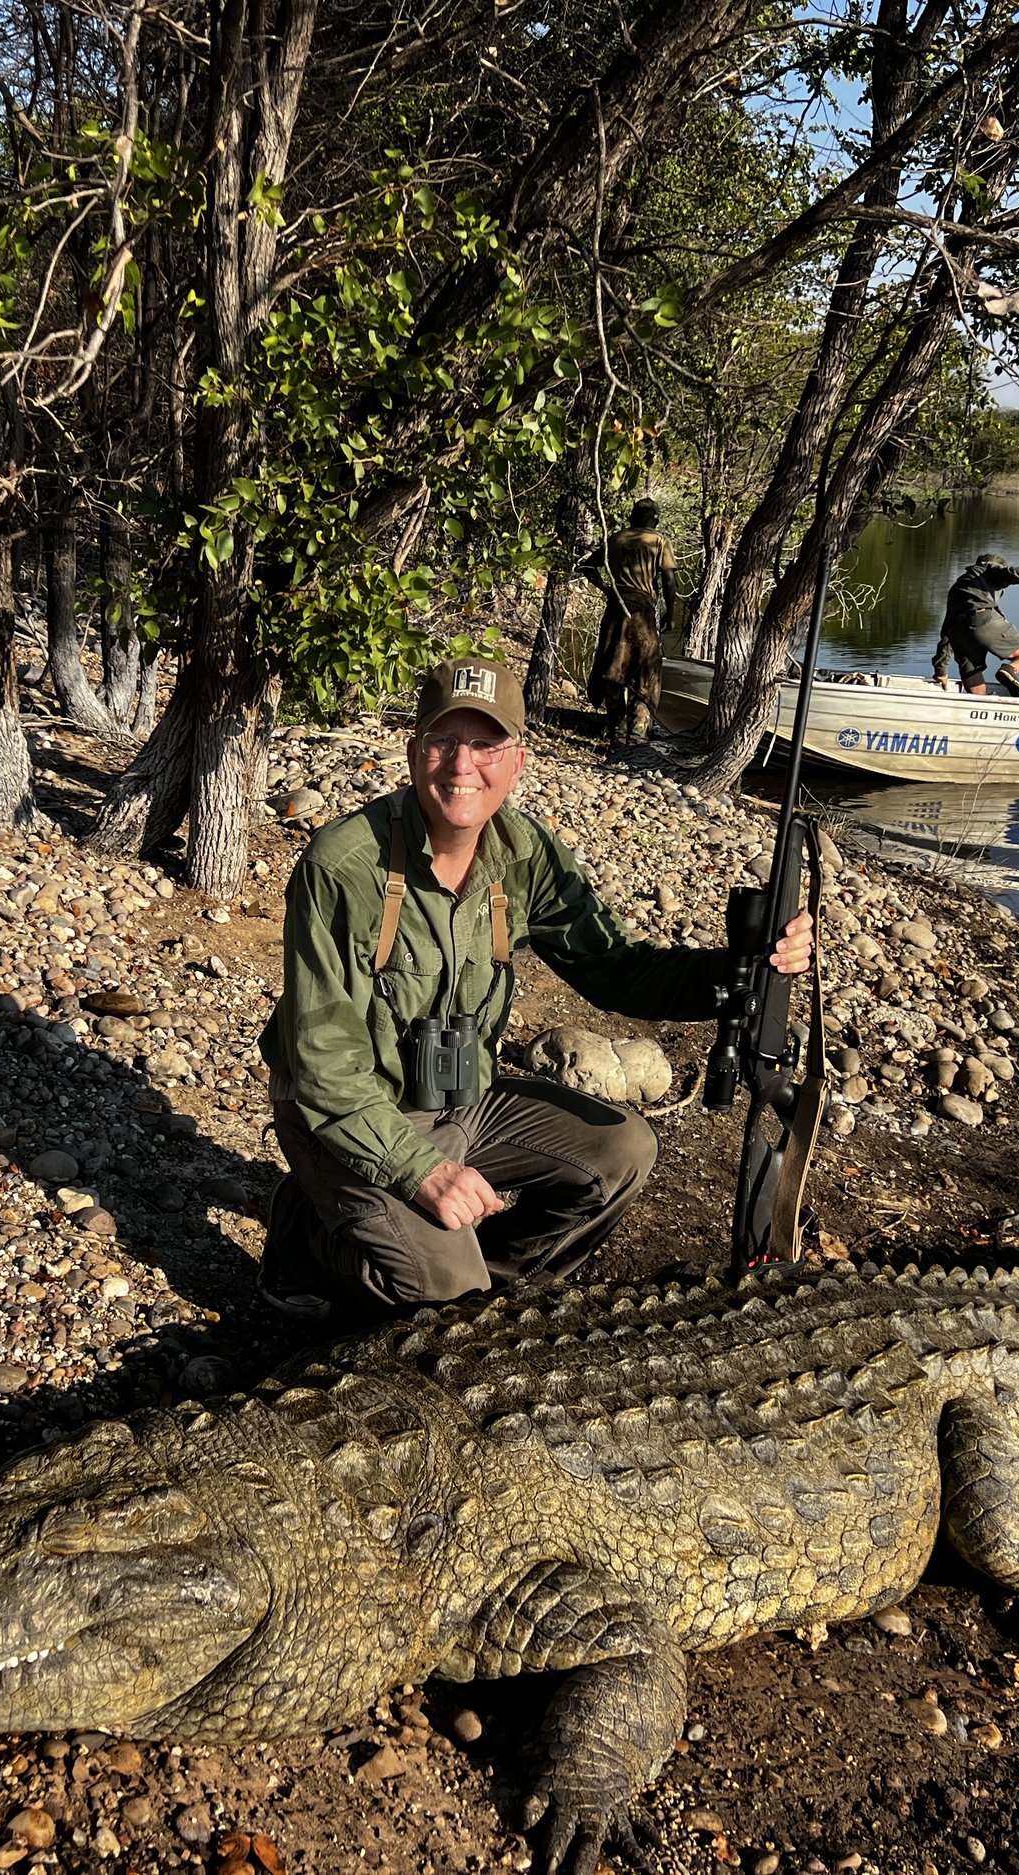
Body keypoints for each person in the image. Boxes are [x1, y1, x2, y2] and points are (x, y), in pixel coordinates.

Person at [255, 656, 812, 1323]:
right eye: (442, 740)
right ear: (413, 751)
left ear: (517, 761)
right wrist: (421, 1172)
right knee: (446, 1296)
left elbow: (619, 968)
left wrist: (742, 969)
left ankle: (484, 1287)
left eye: (486, 744)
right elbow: (325, 1069)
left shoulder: (526, 853)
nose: (462, 765)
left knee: (624, 1151)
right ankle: (305, 1240)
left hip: (458, 1096)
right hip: (345, 1116)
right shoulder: (342, 867)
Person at [581, 498, 677, 746]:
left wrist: (607, 588)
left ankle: (617, 733)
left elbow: (587, 567)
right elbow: (668, 579)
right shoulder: (659, 541)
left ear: (632, 517)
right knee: (645, 672)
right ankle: (636, 736)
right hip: (642, 613)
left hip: (616, 611)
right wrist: (670, 613)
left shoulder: (616, 539)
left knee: (613, 667)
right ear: (654, 519)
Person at [935, 551, 1019, 695]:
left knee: (973, 676)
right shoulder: (990, 570)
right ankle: (1009, 670)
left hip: (958, 632)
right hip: (983, 619)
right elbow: (1015, 573)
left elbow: (947, 630)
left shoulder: (958, 587)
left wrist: (941, 670)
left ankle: (979, 705)